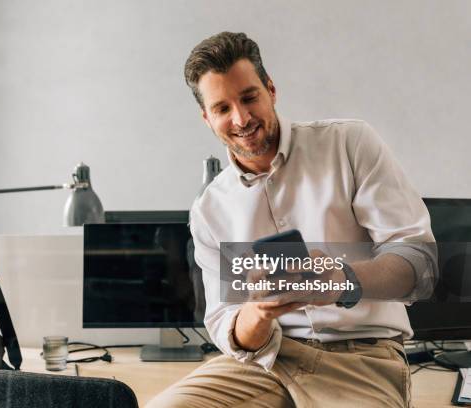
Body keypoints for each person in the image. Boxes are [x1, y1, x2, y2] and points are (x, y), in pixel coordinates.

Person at [146, 32, 437, 408]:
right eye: (222, 108)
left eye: (250, 97)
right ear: (207, 118)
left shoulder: (349, 143)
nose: (241, 118)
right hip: (263, 364)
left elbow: (419, 264)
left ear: (271, 89)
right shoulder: (210, 208)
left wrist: (340, 280)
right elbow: (227, 327)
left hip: (362, 359)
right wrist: (258, 312)